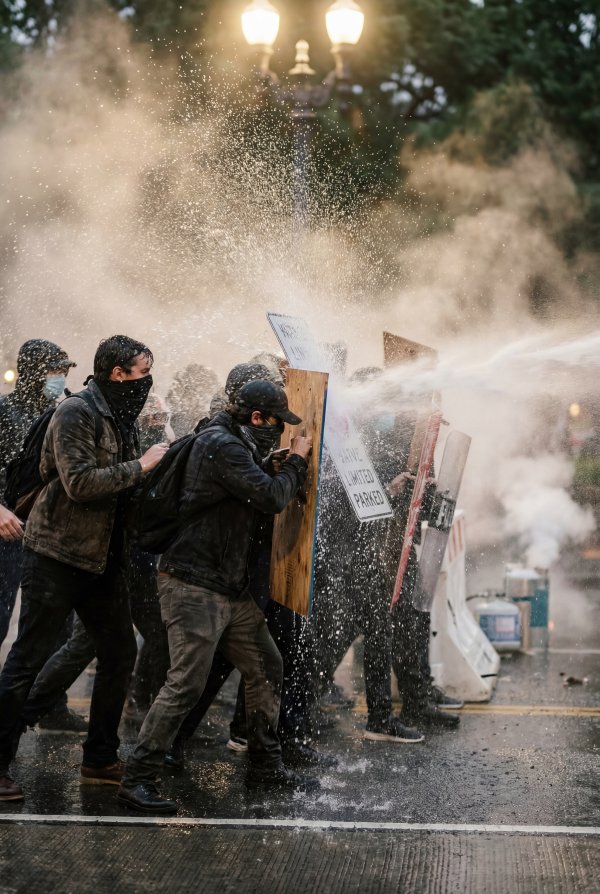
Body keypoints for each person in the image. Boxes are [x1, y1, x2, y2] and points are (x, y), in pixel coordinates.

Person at [118, 379, 317, 814]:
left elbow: (244, 489)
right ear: (257, 417)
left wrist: (273, 462)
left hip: (227, 585)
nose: (279, 431)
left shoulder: (237, 442)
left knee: (266, 665)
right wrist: (295, 464)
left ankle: (265, 763)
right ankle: (138, 778)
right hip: (194, 582)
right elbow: (270, 498)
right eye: (276, 424)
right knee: (186, 682)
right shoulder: (220, 444)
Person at [0, 335, 168, 803]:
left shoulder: (121, 414)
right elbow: (78, 483)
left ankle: (98, 758)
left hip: (101, 559)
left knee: (118, 653)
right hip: (56, 555)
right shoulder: (76, 412)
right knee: (25, 660)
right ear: (117, 373)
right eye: (140, 372)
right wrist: (142, 465)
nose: (145, 381)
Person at [0, 339, 76, 650]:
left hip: (47, 533)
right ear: (33, 372)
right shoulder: (3, 410)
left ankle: (44, 700)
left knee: (52, 626)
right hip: (7, 530)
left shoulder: (61, 413)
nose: (60, 378)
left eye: (63, 371)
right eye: (54, 371)